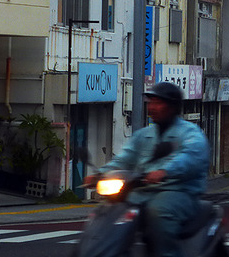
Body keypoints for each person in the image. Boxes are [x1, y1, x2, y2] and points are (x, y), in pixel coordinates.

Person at [84, 81, 210, 257]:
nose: (152, 107)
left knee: (158, 211)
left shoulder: (190, 133)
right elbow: (124, 159)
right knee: (109, 212)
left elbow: (190, 157)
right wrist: (100, 174)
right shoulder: (144, 135)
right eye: (151, 102)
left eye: (158, 103)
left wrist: (165, 171)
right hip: (144, 191)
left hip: (179, 191)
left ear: (173, 107)